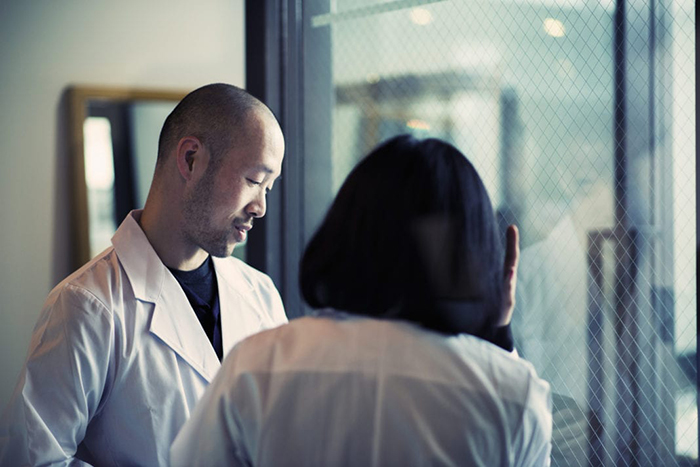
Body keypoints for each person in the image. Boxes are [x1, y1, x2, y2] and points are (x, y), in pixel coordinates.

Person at [170, 135, 552, 466]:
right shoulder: (515, 399)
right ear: (478, 256)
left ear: (344, 232)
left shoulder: (256, 368)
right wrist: (496, 332)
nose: (261, 206)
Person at [0, 83, 287, 466]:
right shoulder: (86, 308)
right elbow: (33, 460)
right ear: (190, 159)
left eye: (269, 187)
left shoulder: (261, 295)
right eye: (254, 180)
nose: (261, 207)